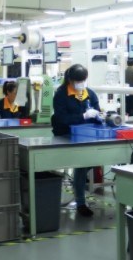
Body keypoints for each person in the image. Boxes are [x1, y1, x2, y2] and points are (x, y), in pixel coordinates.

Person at [51, 64, 102, 217]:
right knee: (82, 163)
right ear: (70, 80)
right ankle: (80, 202)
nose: (81, 83)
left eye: (83, 80)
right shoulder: (61, 95)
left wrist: (98, 116)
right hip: (66, 135)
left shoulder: (90, 94)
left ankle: (78, 185)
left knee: (92, 160)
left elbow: (97, 112)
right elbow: (62, 118)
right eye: (78, 81)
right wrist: (83, 116)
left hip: (86, 135)